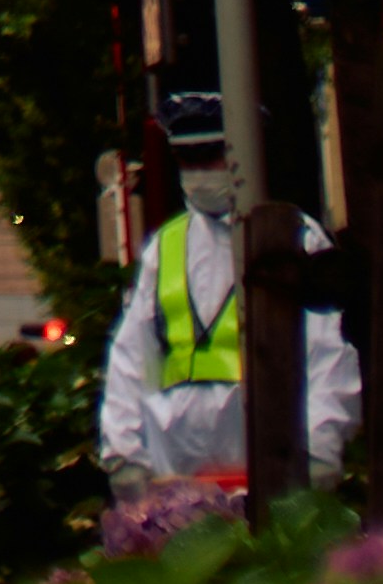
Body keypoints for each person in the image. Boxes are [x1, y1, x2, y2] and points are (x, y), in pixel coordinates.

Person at [100, 175, 359, 498]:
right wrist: (125, 453)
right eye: (189, 157)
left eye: (210, 152)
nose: (201, 172)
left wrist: (320, 447)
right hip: (177, 483)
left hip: (271, 471)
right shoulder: (165, 245)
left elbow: (328, 348)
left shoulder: (295, 236)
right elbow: (132, 356)